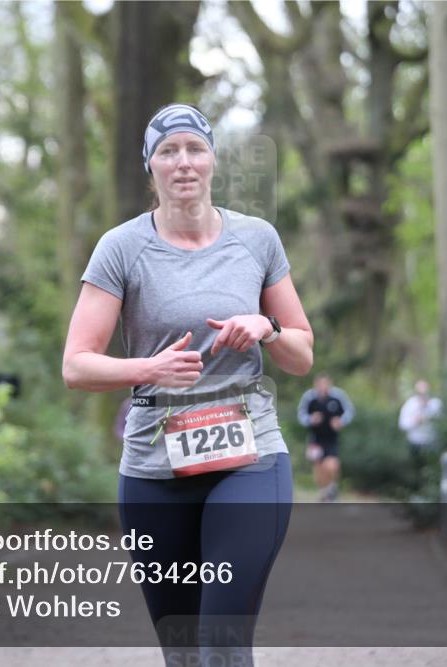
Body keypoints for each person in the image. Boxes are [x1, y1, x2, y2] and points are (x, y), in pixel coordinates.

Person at [63, 103, 313, 666]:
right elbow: (76, 365)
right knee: (182, 651)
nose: (183, 162)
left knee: (222, 640)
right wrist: (148, 369)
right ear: (149, 166)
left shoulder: (257, 239)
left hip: (250, 457)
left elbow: (301, 354)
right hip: (154, 466)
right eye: (168, 151)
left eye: (195, 149)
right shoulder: (121, 248)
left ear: (212, 160)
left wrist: (268, 328)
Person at [297, 374, 354, 502]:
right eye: (320, 384)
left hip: (331, 438)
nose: (323, 387)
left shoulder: (338, 396)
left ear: (330, 384)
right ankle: (324, 492)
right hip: (315, 439)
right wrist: (311, 419)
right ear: (315, 384)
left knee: (331, 466)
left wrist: (341, 421)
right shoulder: (309, 397)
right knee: (318, 467)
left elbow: (350, 411)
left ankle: (332, 488)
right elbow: (301, 416)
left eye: (325, 384)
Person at [398, 379, 443, 480]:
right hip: (415, 443)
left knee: (432, 470)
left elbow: (441, 420)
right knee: (416, 471)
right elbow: (402, 424)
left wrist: (428, 412)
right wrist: (415, 421)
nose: (423, 395)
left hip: (432, 443)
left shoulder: (435, 403)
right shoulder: (410, 405)